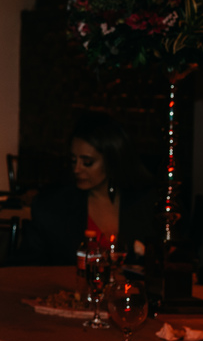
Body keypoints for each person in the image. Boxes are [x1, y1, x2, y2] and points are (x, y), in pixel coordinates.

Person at [18, 111, 155, 265]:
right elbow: (26, 267)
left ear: (113, 160)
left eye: (87, 162)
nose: (77, 169)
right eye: (73, 160)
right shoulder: (52, 207)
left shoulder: (146, 203)